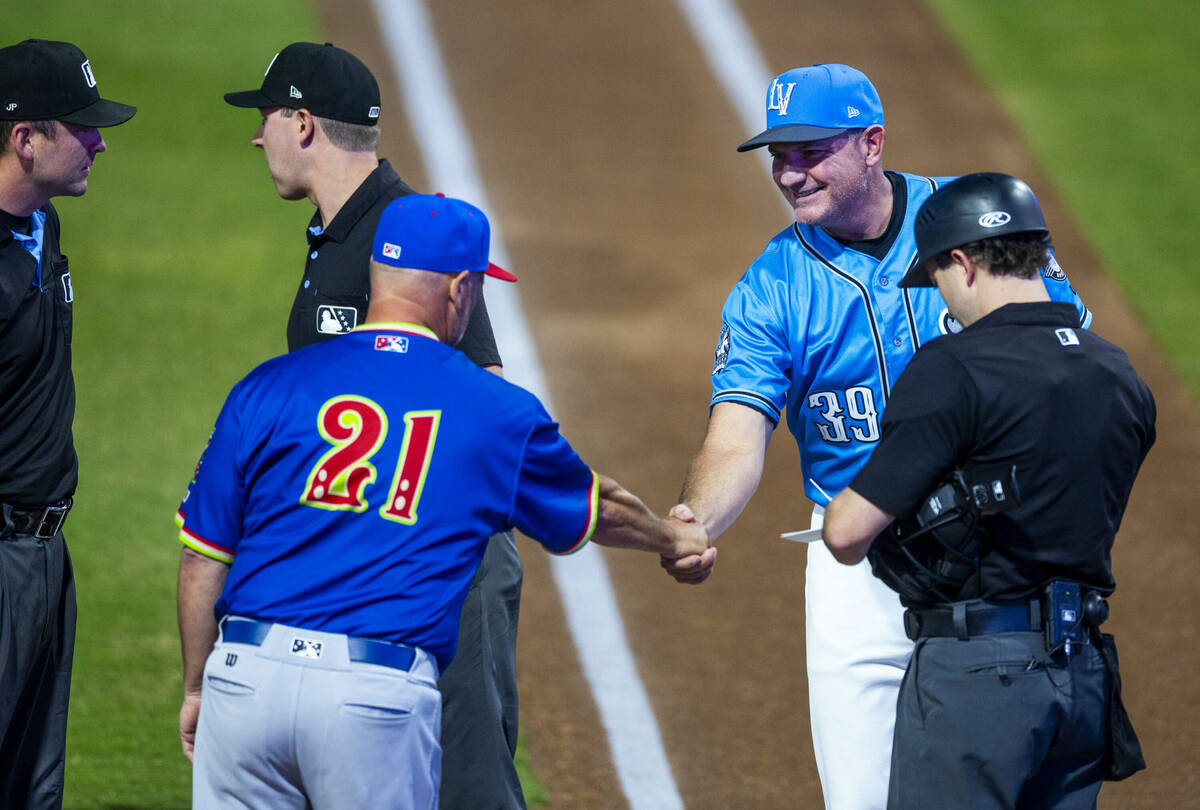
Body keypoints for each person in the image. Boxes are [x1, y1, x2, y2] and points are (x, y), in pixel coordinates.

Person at [175, 193, 708, 808]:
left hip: (244, 682)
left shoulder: (265, 386)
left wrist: (197, 687)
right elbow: (599, 507)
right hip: (369, 698)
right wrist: (675, 538)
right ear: (460, 290)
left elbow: (202, 557)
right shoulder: (493, 409)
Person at [663, 64, 1091, 809]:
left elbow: (1068, 357)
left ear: (871, 143)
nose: (790, 174)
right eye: (779, 156)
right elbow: (736, 437)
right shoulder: (772, 287)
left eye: (809, 152)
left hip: (998, 553)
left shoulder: (973, 226)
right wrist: (696, 519)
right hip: (858, 564)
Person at [222, 42, 526, 809]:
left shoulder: (406, 239)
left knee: (467, 784)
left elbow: (485, 398)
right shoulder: (338, 234)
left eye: (266, 119)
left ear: (301, 122)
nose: (256, 138)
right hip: (381, 570)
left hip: (440, 567)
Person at [822, 172, 1154, 807]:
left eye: (939, 278)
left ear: (963, 262)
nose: (944, 298)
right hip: (1080, 676)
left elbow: (845, 533)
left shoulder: (952, 367)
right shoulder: (1117, 371)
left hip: (979, 679)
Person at [0, 38, 136, 810]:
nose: (100, 141)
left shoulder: (42, 227)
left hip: (46, 556)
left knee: (33, 788)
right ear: (26, 138)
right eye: (80, 127)